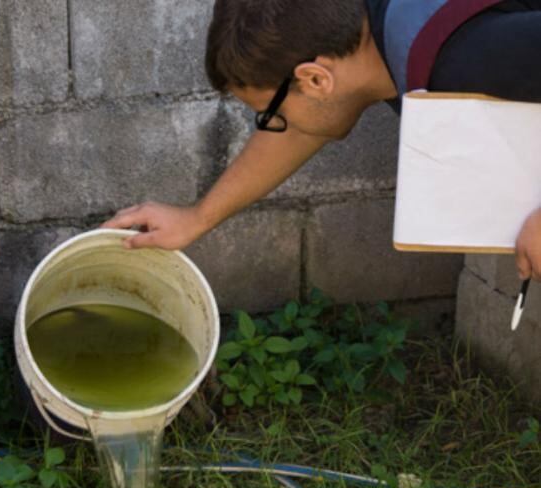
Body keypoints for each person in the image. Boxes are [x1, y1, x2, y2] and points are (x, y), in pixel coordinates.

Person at [103, 0, 541, 282]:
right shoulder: (366, 21)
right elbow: (300, 125)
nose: (276, 123)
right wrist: (197, 217)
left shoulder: (462, 60)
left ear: (315, 78)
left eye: (270, 113)